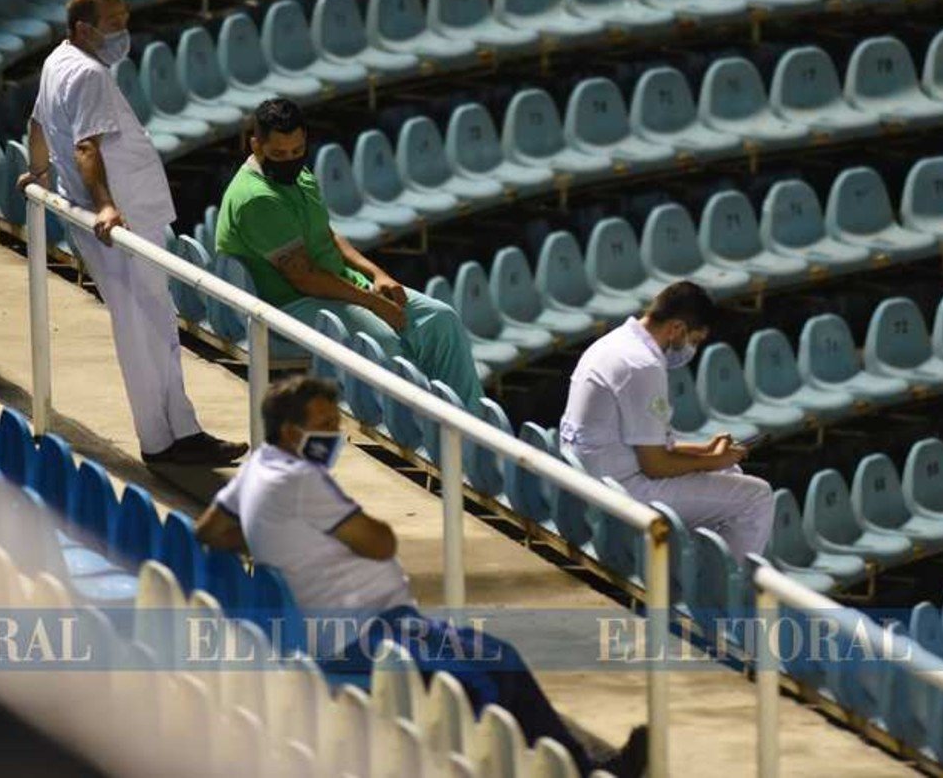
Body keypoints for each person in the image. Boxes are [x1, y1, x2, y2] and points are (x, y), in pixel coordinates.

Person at [195, 376, 647, 778]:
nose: (335, 433)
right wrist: (297, 535)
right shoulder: (301, 481)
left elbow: (210, 530)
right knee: (480, 684)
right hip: (363, 632)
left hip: (374, 622)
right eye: (326, 425)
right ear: (292, 433)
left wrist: (276, 539)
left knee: (500, 657)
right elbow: (379, 543)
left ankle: (580, 768)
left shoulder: (260, 466)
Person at [20, 0, 245, 467]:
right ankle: (164, 438)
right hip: (122, 220)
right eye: (114, 23)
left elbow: (38, 123)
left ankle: (177, 428)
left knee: (149, 322)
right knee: (147, 326)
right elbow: (86, 146)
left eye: (125, 19)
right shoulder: (89, 74)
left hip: (113, 215)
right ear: (85, 29)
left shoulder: (59, 59)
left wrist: (36, 171)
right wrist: (106, 206)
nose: (124, 31)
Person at [213, 97, 485, 412]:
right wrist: (373, 302)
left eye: (297, 151)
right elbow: (304, 278)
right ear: (256, 146)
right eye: (279, 154)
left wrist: (377, 275)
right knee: (383, 341)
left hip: (337, 285)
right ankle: (421, 430)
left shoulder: (298, 175)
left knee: (440, 320)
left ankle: (469, 424)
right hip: (291, 303)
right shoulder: (257, 199)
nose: (289, 160)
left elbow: (327, 235)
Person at [559, 281, 773, 561]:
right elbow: (655, 464)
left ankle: (692, 569)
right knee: (756, 497)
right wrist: (712, 461)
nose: (692, 349)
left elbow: (648, 444)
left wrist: (706, 451)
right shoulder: (642, 365)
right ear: (677, 329)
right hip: (616, 495)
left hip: (592, 481)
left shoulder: (616, 342)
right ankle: (726, 586)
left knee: (729, 472)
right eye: (694, 340)